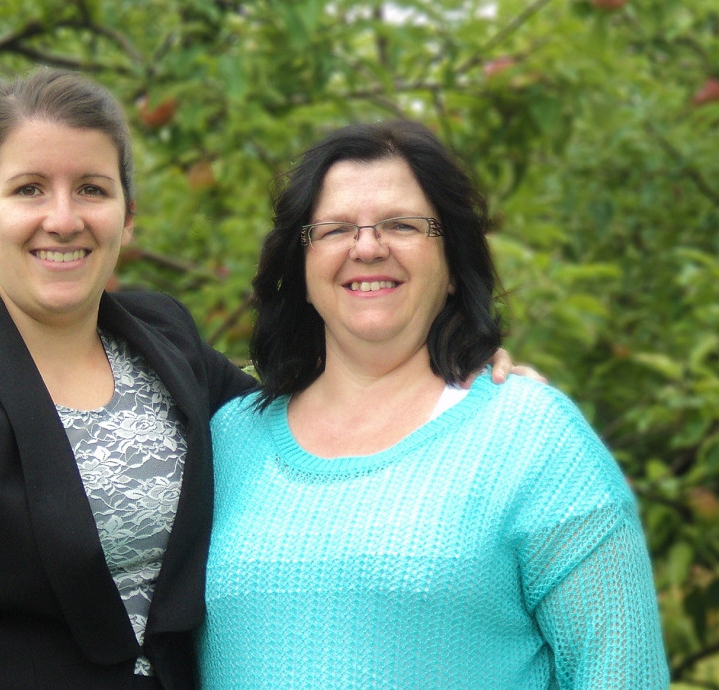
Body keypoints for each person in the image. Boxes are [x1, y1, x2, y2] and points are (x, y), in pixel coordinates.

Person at [0, 69, 533, 689]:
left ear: (126, 217)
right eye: (30, 189)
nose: (62, 219)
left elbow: (316, 416)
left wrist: (457, 374)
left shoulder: (167, 343)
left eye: (91, 189)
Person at [197, 121, 669, 688]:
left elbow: (622, 674)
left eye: (401, 225)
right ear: (299, 267)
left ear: (451, 265)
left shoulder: (532, 437)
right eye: (334, 229)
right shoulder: (226, 441)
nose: (367, 247)